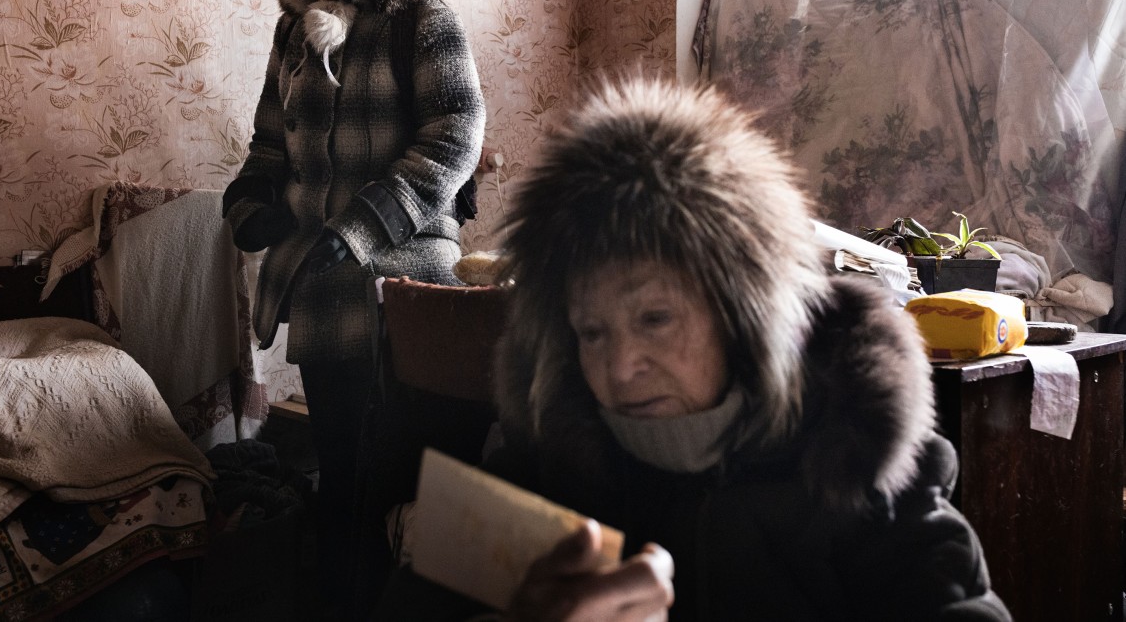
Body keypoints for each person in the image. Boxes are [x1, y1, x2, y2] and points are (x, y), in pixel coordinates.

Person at [375, 76, 1010, 621]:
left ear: (742, 314)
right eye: (591, 332)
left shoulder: (857, 472)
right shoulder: (540, 475)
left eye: (655, 319)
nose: (619, 369)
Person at [221, 0, 484, 619]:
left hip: (409, 277)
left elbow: (455, 134)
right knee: (339, 467)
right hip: (325, 283)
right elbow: (267, 144)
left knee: (395, 474)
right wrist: (247, 203)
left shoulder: (424, 19)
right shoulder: (291, 33)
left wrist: (363, 226)